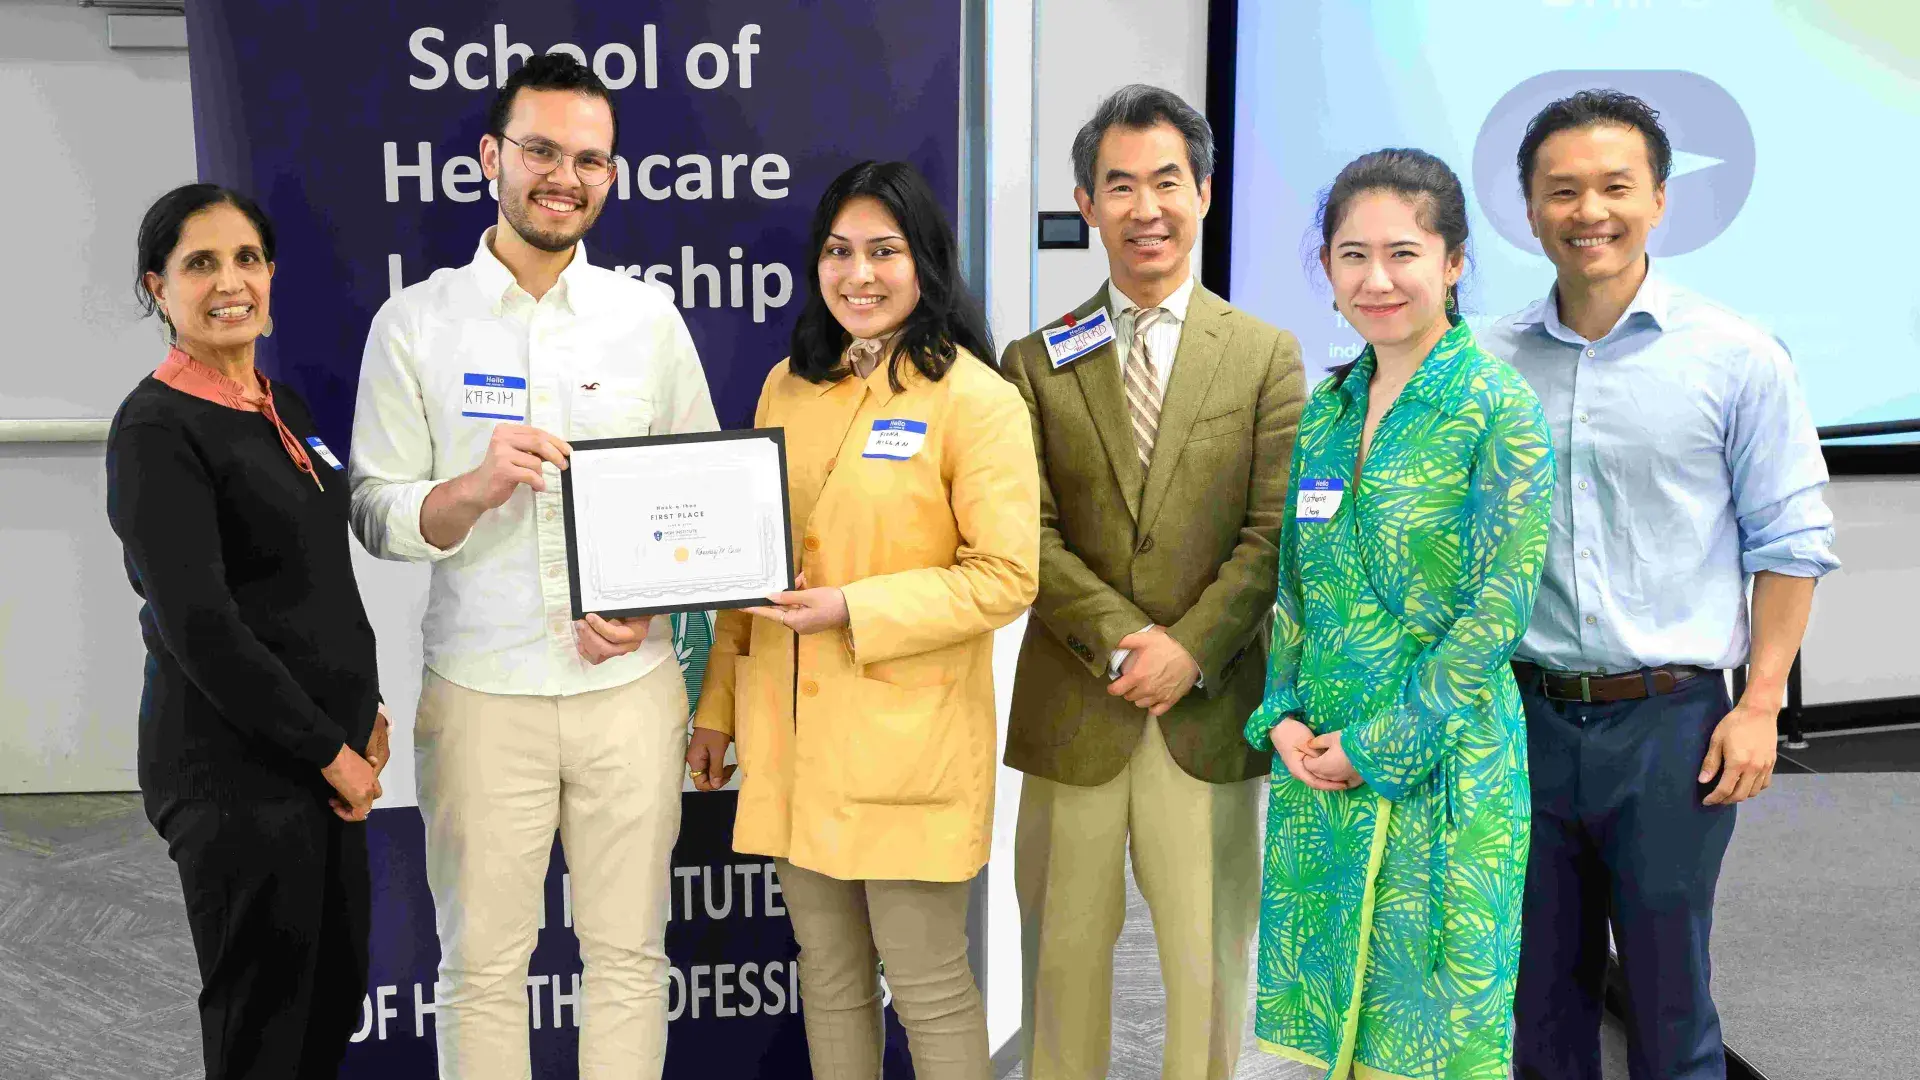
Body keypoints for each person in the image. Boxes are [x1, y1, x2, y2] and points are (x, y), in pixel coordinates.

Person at [347, 54, 717, 1080]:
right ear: (489, 160)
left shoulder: (647, 323)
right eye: (542, 150)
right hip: (480, 694)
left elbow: (702, 509)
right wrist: (469, 488)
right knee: (480, 966)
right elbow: (374, 511)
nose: (565, 175)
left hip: (627, 693)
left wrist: (648, 611)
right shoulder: (416, 323)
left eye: (588, 158)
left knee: (631, 958)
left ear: (611, 176)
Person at [1481, 90, 1839, 1080]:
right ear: (1529, 206)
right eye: (1563, 191)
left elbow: (1793, 541)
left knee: (1669, 998)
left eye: (1615, 187)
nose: (1589, 210)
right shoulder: (1482, 363)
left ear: (1659, 200)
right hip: (1523, 722)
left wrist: (1761, 704)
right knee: (1538, 1004)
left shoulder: (1736, 357)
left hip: (1674, 727)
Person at [683, 160, 1038, 1080]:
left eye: (885, 250)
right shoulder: (786, 387)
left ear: (927, 262)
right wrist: (717, 706)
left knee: (927, 984)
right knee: (830, 980)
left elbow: (1005, 576)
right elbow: (743, 567)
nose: (859, 274)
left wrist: (853, 608)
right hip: (792, 741)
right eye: (839, 252)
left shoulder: (977, 399)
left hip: (907, 749)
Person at [1000, 84, 1306, 1080]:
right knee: (1061, 968)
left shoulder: (1266, 356)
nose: (1145, 209)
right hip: (1075, 708)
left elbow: (1271, 538)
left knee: (1212, 970)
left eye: (1166, 181)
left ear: (1205, 192)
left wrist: (1190, 648)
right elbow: (1026, 534)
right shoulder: (1034, 362)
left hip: (1208, 708)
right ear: (1086, 203)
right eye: (1118, 186)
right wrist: (1128, 640)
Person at [1243, 149, 1553, 1080]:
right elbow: (1294, 588)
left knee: (1430, 1045)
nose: (1376, 279)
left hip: (1442, 770)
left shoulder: (1497, 408)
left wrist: (1377, 746)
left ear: (1453, 263)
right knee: (1319, 1040)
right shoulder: (1328, 411)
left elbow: (1496, 614)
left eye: (1403, 253)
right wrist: (1284, 715)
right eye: (1351, 255)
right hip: (1319, 768)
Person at [105, 183, 387, 1078]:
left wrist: (365, 708)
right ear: (158, 287)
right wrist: (326, 750)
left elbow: (316, 583)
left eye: (247, 259)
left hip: (319, 763)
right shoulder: (155, 428)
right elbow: (202, 625)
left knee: (328, 1000)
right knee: (263, 1025)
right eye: (200, 263)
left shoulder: (281, 406)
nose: (230, 281)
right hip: (236, 776)